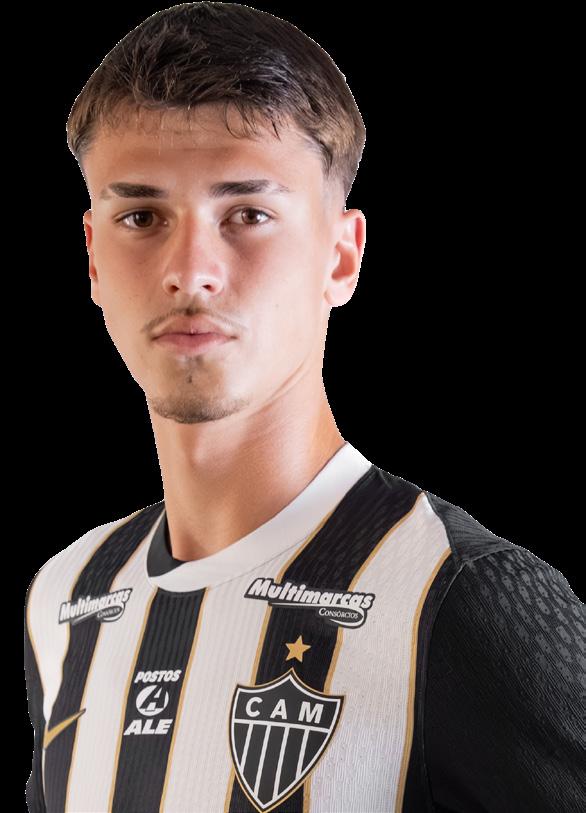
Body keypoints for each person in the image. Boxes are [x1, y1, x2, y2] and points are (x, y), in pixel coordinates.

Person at [24, 3, 585, 812]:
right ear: (92, 259)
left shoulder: (460, 597)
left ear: (342, 257)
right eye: (141, 216)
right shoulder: (66, 596)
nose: (191, 269)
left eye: (248, 214)